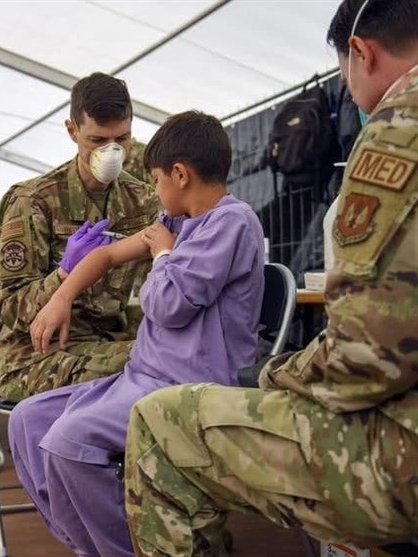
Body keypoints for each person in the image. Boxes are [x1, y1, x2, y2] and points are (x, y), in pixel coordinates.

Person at [124, 1, 418, 555]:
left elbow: (366, 362)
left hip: (402, 458)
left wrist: (278, 371)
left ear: (360, 52)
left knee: (160, 425)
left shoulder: (398, 129)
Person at [9, 111, 265, 557]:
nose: (155, 190)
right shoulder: (178, 222)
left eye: (156, 180)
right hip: (142, 377)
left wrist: (163, 255)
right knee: (28, 419)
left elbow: (168, 304)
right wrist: (61, 295)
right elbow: (106, 256)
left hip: (185, 388)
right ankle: (90, 540)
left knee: (68, 444)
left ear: (180, 175)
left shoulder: (231, 222)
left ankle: (130, 549)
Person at [0, 72, 159, 402]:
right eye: (97, 141)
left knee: (170, 359)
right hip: (38, 355)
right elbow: (11, 308)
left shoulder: (143, 200)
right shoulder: (34, 201)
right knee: (148, 367)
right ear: (72, 131)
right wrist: (64, 273)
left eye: (122, 139)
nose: (112, 151)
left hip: (111, 343)